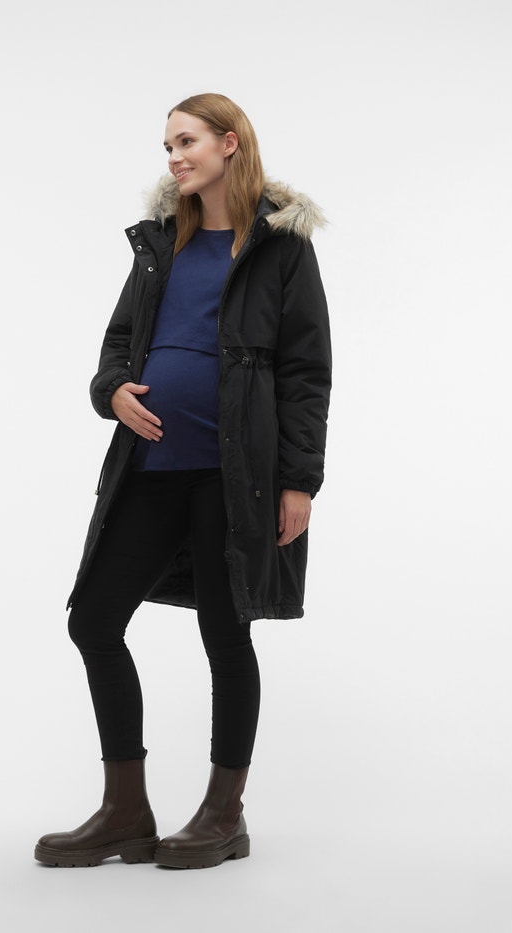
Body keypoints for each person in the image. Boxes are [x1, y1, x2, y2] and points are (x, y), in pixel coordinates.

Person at [34, 93, 332, 870]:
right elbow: (119, 342)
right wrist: (112, 392)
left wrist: (299, 481)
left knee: (225, 635)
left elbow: (306, 373)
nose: (173, 157)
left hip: (236, 478)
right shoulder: (161, 241)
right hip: (151, 468)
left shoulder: (281, 248)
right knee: (93, 621)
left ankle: (224, 814)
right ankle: (125, 812)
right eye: (167, 145)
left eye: (186, 141)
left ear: (229, 143)